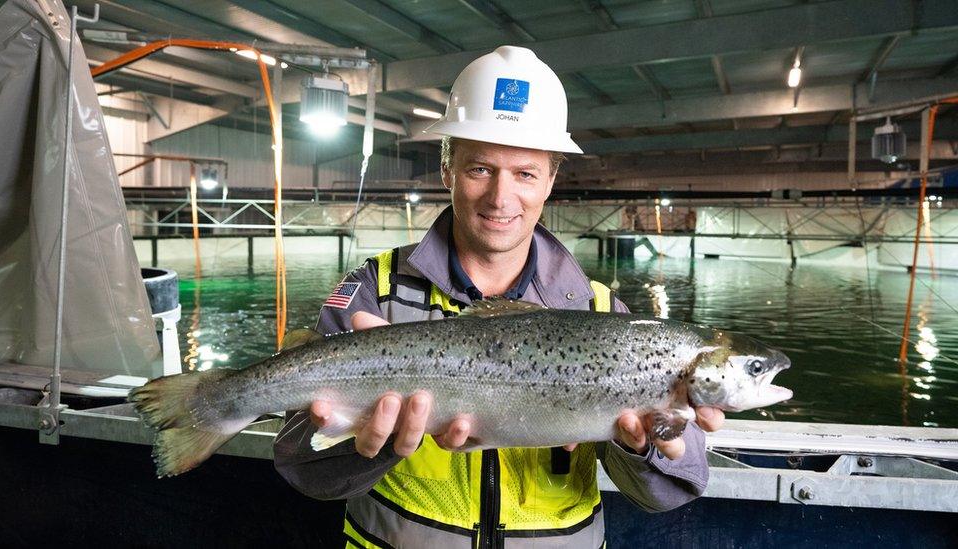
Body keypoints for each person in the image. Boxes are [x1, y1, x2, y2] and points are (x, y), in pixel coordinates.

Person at [274, 45, 724, 548]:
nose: (501, 198)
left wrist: (641, 448)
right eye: (480, 169)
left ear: (551, 181)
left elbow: (673, 492)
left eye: (526, 173)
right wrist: (376, 445)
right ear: (447, 169)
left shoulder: (602, 315)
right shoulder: (372, 293)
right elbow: (303, 467)